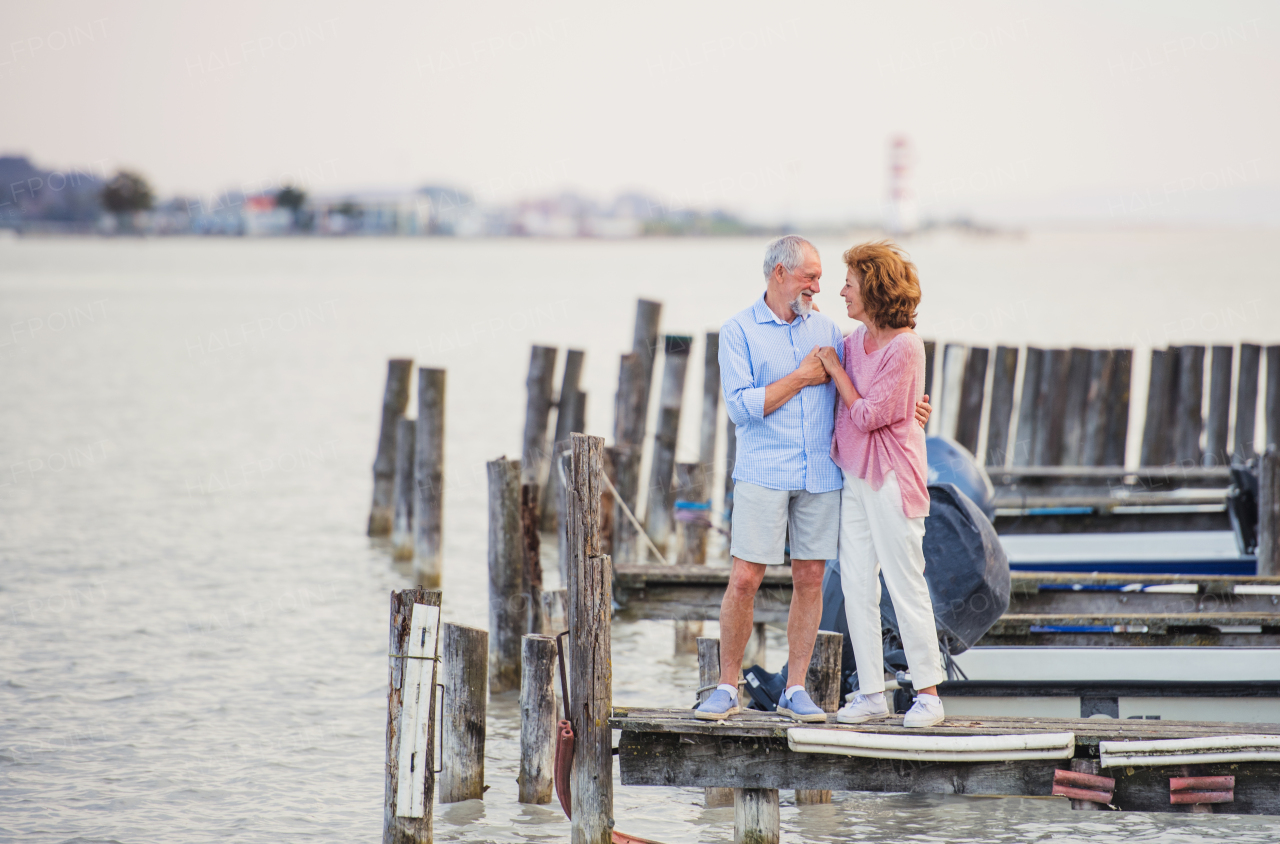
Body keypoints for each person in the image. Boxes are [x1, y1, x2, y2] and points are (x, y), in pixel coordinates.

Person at [695, 235, 930, 723]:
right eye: (811, 276)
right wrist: (803, 377)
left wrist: (913, 409)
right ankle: (725, 687)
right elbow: (742, 407)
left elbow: (873, 389)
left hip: (822, 475)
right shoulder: (737, 332)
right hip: (763, 472)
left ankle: (796, 688)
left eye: (826, 278)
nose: (820, 287)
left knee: (811, 579)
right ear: (779, 273)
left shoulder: (828, 332)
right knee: (744, 579)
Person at [816, 240, 946, 729]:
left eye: (849, 282)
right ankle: (871, 692)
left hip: (893, 475)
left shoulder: (906, 346)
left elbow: (868, 414)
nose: (841, 291)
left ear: (872, 286)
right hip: (855, 473)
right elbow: (872, 406)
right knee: (855, 583)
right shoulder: (854, 343)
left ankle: (928, 693)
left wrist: (837, 372)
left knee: (904, 581)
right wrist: (839, 366)